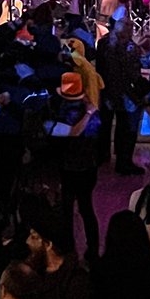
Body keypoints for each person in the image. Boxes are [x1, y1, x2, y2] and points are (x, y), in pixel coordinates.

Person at [46, 72, 103, 259]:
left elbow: (67, 133)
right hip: (88, 167)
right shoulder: (92, 113)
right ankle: (92, 250)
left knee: (67, 210)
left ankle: (68, 248)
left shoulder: (60, 112)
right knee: (86, 208)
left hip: (68, 168)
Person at [96, 18, 145, 175]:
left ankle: (102, 155)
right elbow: (132, 74)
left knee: (105, 125)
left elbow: (99, 68)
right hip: (125, 93)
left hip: (106, 90)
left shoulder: (103, 43)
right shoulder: (129, 47)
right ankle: (123, 162)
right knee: (126, 129)